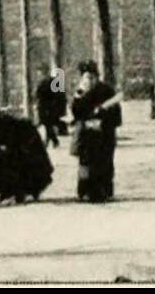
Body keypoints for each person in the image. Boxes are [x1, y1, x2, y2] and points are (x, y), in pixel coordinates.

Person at [70, 60, 122, 203]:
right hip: (86, 137)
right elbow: (75, 112)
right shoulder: (80, 92)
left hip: (104, 135)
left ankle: (104, 191)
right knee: (85, 164)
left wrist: (103, 122)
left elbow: (116, 115)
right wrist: (80, 95)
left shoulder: (107, 91)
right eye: (86, 77)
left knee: (104, 164)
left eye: (92, 77)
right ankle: (85, 191)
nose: (89, 80)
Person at [34, 66, 67, 148]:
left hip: (46, 107)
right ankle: (51, 140)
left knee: (47, 124)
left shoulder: (47, 82)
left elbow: (40, 94)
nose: (38, 74)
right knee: (47, 124)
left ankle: (52, 140)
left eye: (40, 72)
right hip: (48, 107)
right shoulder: (52, 81)